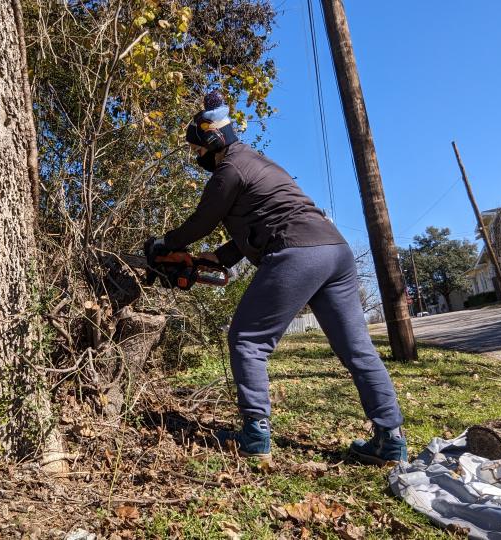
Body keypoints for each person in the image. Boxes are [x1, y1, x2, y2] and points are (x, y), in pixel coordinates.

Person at [146, 91, 406, 465]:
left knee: (247, 340)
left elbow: (202, 221)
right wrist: (211, 259)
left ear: (212, 140)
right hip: (335, 251)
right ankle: (390, 440)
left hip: (297, 252)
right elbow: (255, 228)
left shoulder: (229, 169)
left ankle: (255, 437)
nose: (196, 157)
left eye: (196, 149)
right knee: (357, 350)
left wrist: (164, 243)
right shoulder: (259, 164)